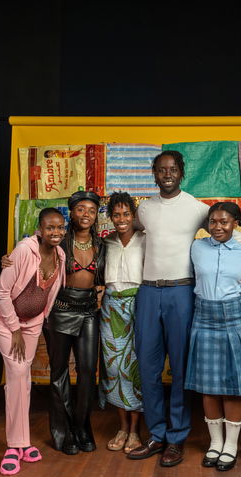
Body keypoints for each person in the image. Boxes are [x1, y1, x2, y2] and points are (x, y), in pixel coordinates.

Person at [126, 151, 210, 467]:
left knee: (180, 368)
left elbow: (226, 229)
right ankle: (156, 434)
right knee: (148, 368)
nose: (167, 174)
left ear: (181, 172)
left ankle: (176, 438)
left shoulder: (197, 208)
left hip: (181, 291)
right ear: (155, 173)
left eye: (173, 169)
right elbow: (126, 235)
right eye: (161, 170)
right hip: (148, 292)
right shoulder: (145, 209)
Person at [185, 202, 241, 471]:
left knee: (233, 384)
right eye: (213, 221)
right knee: (208, 385)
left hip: (234, 315)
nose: (217, 226)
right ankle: (215, 443)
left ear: (235, 223)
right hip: (204, 315)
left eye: (224, 222)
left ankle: (230, 445)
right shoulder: (197, 247)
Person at [0, 208, 66, 475]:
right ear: (39, 230)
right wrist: (14, 330)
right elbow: (1, 292)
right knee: (17, 372)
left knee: (23, 378)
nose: (55, 232)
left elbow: (50, 293)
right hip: (7, 321)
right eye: (50, 227)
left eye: (60, 227)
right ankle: (14, 446)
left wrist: (41, 319)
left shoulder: (60, 255)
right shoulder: (23, 250)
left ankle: (23, 442)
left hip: (32, 323)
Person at [47, 191, 105, 455]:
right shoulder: (58, 241)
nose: (86, 214)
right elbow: (30, 251)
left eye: (91, 210)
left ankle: (81, 426)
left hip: (89, 310)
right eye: (81, 209)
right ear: (71, 212)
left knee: (87, 371)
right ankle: (64, 432)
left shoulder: (101, 244)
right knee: (59, 373)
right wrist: (9, 260)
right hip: (61, 309)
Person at [99, 191, 145, 453]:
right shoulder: (106, 243)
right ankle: (122, 427)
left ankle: (136, 430)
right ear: (110, 217)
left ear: (134, 215)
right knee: (114, 367)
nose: (121, 219)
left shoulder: (145, 240)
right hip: (110, 309)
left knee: (134, 367)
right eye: (116, 215)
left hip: (138, 305)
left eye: (126, 214)